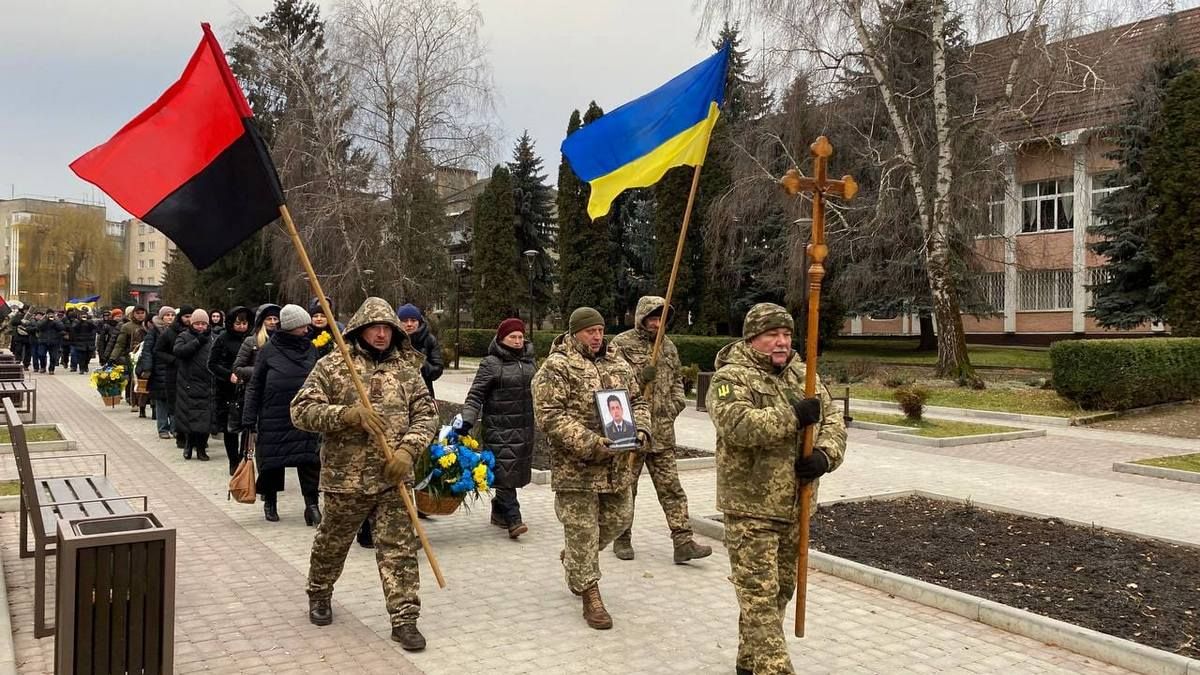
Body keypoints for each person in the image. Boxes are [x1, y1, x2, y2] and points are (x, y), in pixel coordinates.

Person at [707, 302, 848, 675]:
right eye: (772, 335)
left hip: (796, 505)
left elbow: (834, 421)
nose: (781, 342)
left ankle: (748, 664)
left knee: (780, 591)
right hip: (750, 509)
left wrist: (824, 456)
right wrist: (793, 416)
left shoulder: (806, 375)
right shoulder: (729, 379)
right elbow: (738, 425)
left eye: (786, 334)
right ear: (753, 339)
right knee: (759, 599)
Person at [291, 297, 438, 651]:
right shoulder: (334, 366)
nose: (382, 334)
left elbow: (427, 414)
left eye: (388, 328)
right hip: (347, 479)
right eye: (376, 327)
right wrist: (347, 415)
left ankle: (404, 619)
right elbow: (301, 411)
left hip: (393, 480)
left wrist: (408, 450)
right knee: (332, 543)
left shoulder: (406, 369)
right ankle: (319, 592)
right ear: (360, 329)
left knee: (400, 550)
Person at [531, 307, 651, 630]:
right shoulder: (557, 367)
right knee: (583, 530)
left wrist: (640, 429)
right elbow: (550, 416)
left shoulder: (617, 362)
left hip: (616, 466)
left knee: (620, 517)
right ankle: (590, 594)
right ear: (574, 333)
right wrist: (591, 443)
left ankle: (574, 557)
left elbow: (638, 401)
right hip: (577, 468)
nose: (597, 337)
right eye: (590, 332)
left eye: (600, 330)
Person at [611, 296, 711, 563]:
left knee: (671, 488)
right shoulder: (621, 344)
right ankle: (621, 536)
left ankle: (683, 540)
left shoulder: (668, 347)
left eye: (661, 319)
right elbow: (609, 379)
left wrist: (675, 406)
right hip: (632, 431)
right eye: (652, 318)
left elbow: (678, 380)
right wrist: (639, 377)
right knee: (625, 487)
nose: (657, 324)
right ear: (641, 318)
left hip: (662, 433)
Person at [243, 304, 321, 524]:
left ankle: (312, 505)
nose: (307, 329)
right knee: (272, 463)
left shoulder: (310, 349)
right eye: (303, 325)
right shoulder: (269, 350)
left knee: (309, 462)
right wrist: (249, 419)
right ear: (291, 327)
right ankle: (270, 501)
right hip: (273, 415)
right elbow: (255, 384)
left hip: (306, 414)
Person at [459, 317, 536, 539]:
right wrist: (467, 420)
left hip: (524, 428)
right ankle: (514, 519)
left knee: (513, 473)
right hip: (499, 429)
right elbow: (476, 395)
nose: (518, 341)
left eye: (521, 336)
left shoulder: (530, 362)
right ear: (502, 338)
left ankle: (498, 511)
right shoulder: (491, 363)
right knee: (504, 472)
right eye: (513, 337)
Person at [208, 306, 253, 474]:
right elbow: (212, 364)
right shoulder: (222, 339)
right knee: (231, 427)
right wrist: (229, 375)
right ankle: (233, 460)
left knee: (247, 425)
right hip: (228, 388)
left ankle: (244, 457)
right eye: (238, 323)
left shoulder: (251, 338)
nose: (242, 327)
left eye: (245, 323)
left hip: (248, 386)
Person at [174, 308, 215, 460]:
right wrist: (197, 341)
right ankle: (189, 444)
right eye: (197, 324)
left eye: (203, 324)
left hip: (207, 383)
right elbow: (179, 351)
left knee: (205, 419)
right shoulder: (184, 336)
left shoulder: (213, 338)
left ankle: (201, 448)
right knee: (189, 417)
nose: (200, 327)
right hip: (188, 383)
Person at [396, 303, 443, 396]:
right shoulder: (391, 340)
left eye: (413, 320)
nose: (409, 324)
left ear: (419, 322)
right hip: (396, 395)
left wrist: (418, 361)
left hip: (423, 394)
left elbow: (437, 371)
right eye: (405, 321)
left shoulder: (429, 340)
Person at [110, 306, 149, 413]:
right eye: (138, 313)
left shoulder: (149, 325)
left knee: (146, 379)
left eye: (142, 313)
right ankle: (135, 402)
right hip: (133, 356)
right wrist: (113, 358)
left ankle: (145, 403)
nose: (140, 315)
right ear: (133, 314)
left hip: (147, 355)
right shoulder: (127, 327)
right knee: (134, 379)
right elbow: (119, 344)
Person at [34, 309, 64, 374]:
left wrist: (55, 321)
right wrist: (46, 320)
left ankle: (51, 369)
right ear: (46, 314)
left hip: (54, 341)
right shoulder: (42, 320)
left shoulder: (57, 320)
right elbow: (39, 326)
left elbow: (61, 327)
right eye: (49, 314)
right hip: (43, 341)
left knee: (53, 357)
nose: (50, 315)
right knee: (41, 355)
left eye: (52, 314)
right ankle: (43, 367)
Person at [69, 310, 98, 374]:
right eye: (82, 315)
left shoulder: (90, 321)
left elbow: (95, 327)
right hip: (80, 342)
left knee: (88, 356)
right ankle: (81, 368)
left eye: (85, 315)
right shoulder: (76, 322)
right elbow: (74, 328)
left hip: (89, 342)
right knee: (81, 356)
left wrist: (88, 322)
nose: (83, 317)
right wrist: (80, 322)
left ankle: (86, 365)